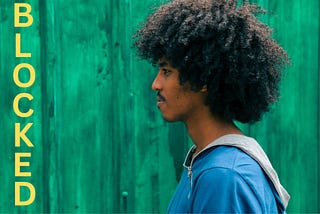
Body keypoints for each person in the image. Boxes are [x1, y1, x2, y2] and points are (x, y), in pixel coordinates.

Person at [134, 0, 290, 213]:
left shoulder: (224, 174)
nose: (155, 84)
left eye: (166, 71)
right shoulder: (208, 162)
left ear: (202, 80)